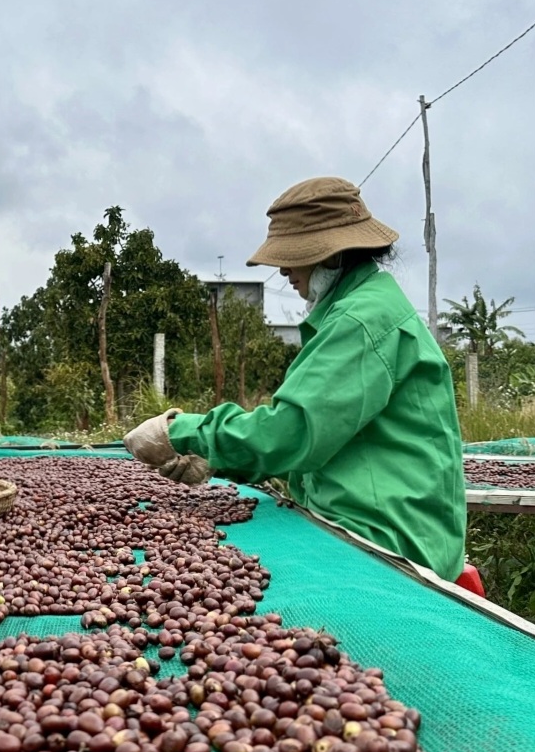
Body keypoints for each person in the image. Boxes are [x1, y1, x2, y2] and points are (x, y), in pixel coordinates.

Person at [123, 177, 467, 583]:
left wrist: (182, 433)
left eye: (293, 255)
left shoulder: (360, 320)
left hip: (387, 538)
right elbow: (327, 441)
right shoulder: (363, 307)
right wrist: (219, 459)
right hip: (388, 522)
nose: (283, 268)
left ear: (334, 254)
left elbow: (293, 431)